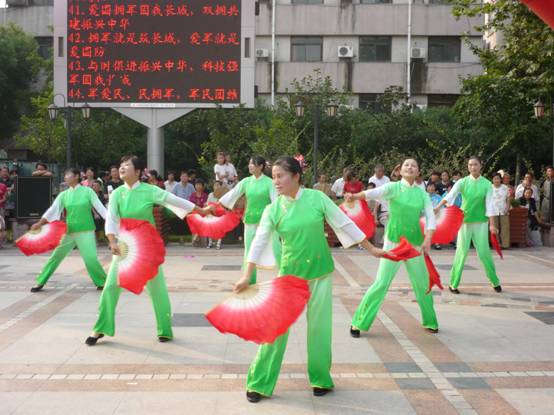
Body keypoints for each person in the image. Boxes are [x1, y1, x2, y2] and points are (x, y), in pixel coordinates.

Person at [233, 156, 384, 403]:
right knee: (276, 328)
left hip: (321, 274)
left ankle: (320, 378)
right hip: (290, 277)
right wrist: (247, 274)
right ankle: (259, 382)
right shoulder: (274, 209)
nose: (276, 182)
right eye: (274, 177)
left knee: (319, 330)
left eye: (280, 176)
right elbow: (260, 240)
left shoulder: (317, 198)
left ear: (296, 176)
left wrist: (371, 249)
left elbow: (342, 223)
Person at [85, 155, 213, 346]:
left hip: (146, 248)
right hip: (124, 247)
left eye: (126, 166)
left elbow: (174, 200)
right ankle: (101, 327)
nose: (121, 168)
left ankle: (165, 330)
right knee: (111, 286)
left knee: (157, 289)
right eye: (121, 166)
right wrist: (111, 241)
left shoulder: (149, 190)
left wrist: (200, 210)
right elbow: (111, 219)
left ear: (137, 172)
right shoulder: (117, 194)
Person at [347, 158, 439, 338]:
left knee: (422, 284)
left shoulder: (422, 194)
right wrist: (355, 196)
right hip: (393, 242)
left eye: (414, 165)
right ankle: (359, 322)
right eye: (407, 165)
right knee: (381, 283)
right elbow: (374, 192)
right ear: (400, 170)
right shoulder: (393, 187)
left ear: (418, 172)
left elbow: (430, 216)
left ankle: (430, 321)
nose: (410, 167)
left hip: (414, 245)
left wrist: (428, 238)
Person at [29, 168, 108, 292]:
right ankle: (40, 281)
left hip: (86, 231)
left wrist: (113, 224)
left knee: (90, 258)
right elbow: (53, 210)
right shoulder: (64, 194)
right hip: (69, 231)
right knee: (56, 256)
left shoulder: (88, 192)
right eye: (65, 175)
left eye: (68, 175)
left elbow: (101, 209)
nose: (65, 177)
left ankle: (102, 282)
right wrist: (40, 223)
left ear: (76, 176)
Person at [435, 156, 501, 294]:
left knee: (484, 253)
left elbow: (490, 206)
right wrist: (438, 207)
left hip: (481, 223)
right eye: (470, 165)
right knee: (461, 252)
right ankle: (453, 284)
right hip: (464, 222)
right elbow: (450, 196)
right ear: (468, 167)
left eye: (475, 164)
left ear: (480, 165)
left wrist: (492, 225)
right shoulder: (462, 182)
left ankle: (494, 281)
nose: (473, 167)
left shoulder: (487, 184)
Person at [220, 156, 279, 284]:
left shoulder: (269, 182)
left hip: (266, 222)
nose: (249, 166)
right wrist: (220, 204)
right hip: (250, 220)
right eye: (249, 164)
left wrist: (276, 218)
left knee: (275, 248)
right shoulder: (246, 182)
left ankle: (283, 277)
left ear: (260, 166)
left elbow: (275, 202)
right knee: (249, 249)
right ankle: (249, 280)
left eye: (252, 164)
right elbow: (234, 193)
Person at [491, 173, 510, 249]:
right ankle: (496, 244)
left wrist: (507, 208)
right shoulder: (489, 188)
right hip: (493, 210)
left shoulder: (505, 188)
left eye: (498, 178)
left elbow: (508, 199)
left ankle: (505, 244)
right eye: (495, 179)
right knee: (494, 227)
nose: (496, 180)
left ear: (500, 179)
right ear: (492, 180)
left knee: (505, 227)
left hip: (503, 210)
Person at [207, 181, 228, 249]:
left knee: (220, 227)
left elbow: (224, 206)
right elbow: (207, 204)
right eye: (215, 185)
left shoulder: (223, 195)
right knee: (209, 225)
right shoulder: (210, 195)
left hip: (220, 214)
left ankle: (218, 243)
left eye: (218, 185)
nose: (216, 187)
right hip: (211, 213)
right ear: (213, 187)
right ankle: (210, 243)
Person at [189, 179, 209, 246]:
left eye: (200, 185)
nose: (198, 186)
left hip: (203, 213)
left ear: (203, 186)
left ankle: (197, 237)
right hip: (194, 213)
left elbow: (206, 206)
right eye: (197, 184)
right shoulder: (192, 195)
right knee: (196, 218)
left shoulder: (205, 196)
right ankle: (196, 237)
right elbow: (191, 206)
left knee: (202, 219)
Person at [426, 182, 443, 250]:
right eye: (429, 186)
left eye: (433, 186)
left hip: (436, 215)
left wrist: (437, 211)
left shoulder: (438, 197)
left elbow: (442, 206)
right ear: (427, 188)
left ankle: (437, 242)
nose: (431, 188)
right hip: (425, 215)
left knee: (436, 228)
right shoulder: (424, 196)